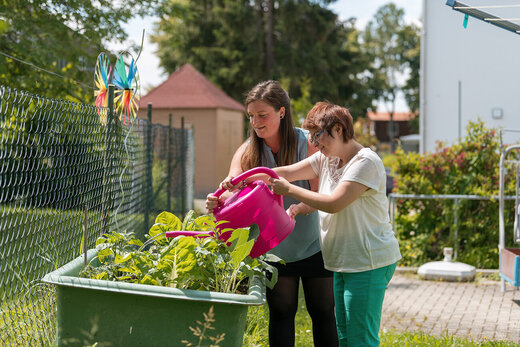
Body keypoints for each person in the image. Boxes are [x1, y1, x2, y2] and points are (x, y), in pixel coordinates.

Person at [206, 81, 338, 347]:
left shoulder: (309, 144)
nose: (256, 122)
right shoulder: (248, 151)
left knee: (323, 312)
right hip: (274, 247)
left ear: (282, 112)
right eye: (251, 116)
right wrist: (216, 200)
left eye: (262, 114)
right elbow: (232, 188)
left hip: (315, 243)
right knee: (281, 313)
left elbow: (322, 195)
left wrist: (298, 208)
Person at [266, 101, 402, 347]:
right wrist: (238, 181)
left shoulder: (365, 162)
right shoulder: (327, 159)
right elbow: (284, 172)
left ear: (338, 129)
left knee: (361, 340)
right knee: (345, 338)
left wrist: (290, 191)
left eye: (317, 136)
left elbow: (333, 203)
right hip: (341, 262)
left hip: (367, 263)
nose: (314, 143)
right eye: (311, 136)